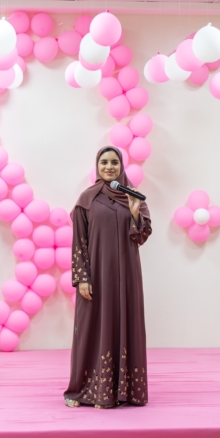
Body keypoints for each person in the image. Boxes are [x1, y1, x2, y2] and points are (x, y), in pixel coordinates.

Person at [64, 146, 152, 409]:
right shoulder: (87, 199)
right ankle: (88, 391)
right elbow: (78, 242)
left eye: (114, 162)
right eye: (104, 162)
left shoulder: (133, 197)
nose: (109, 167)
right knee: (91, 329)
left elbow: (141, 236)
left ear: (121, 166)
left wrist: (135, 212)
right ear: (97, 166)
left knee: (125, 324)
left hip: (127, 276)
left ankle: (123, 392)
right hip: (97, 277)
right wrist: (82, 278)